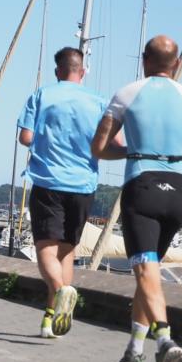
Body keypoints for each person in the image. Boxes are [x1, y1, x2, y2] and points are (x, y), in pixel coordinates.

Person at [92, 35, 182, 362]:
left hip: (143, 187)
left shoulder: (127, 93)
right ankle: (134, 350)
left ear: (144, 60)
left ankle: (164, 341)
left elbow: (99, 147)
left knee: (145, 268)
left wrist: (132, 151)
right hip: (178, 193)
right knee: (148, 271)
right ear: (177, 64)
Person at [17, 47, 107, 339]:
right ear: (83, 71)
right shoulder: (99, 102)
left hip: (48, 181)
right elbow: (108, 142)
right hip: (83, 184)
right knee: (66, 251)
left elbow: (25, 137)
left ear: (58, 71)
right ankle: (50, 320)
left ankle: (60, 291)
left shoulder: (42, 95)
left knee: (45, 248)